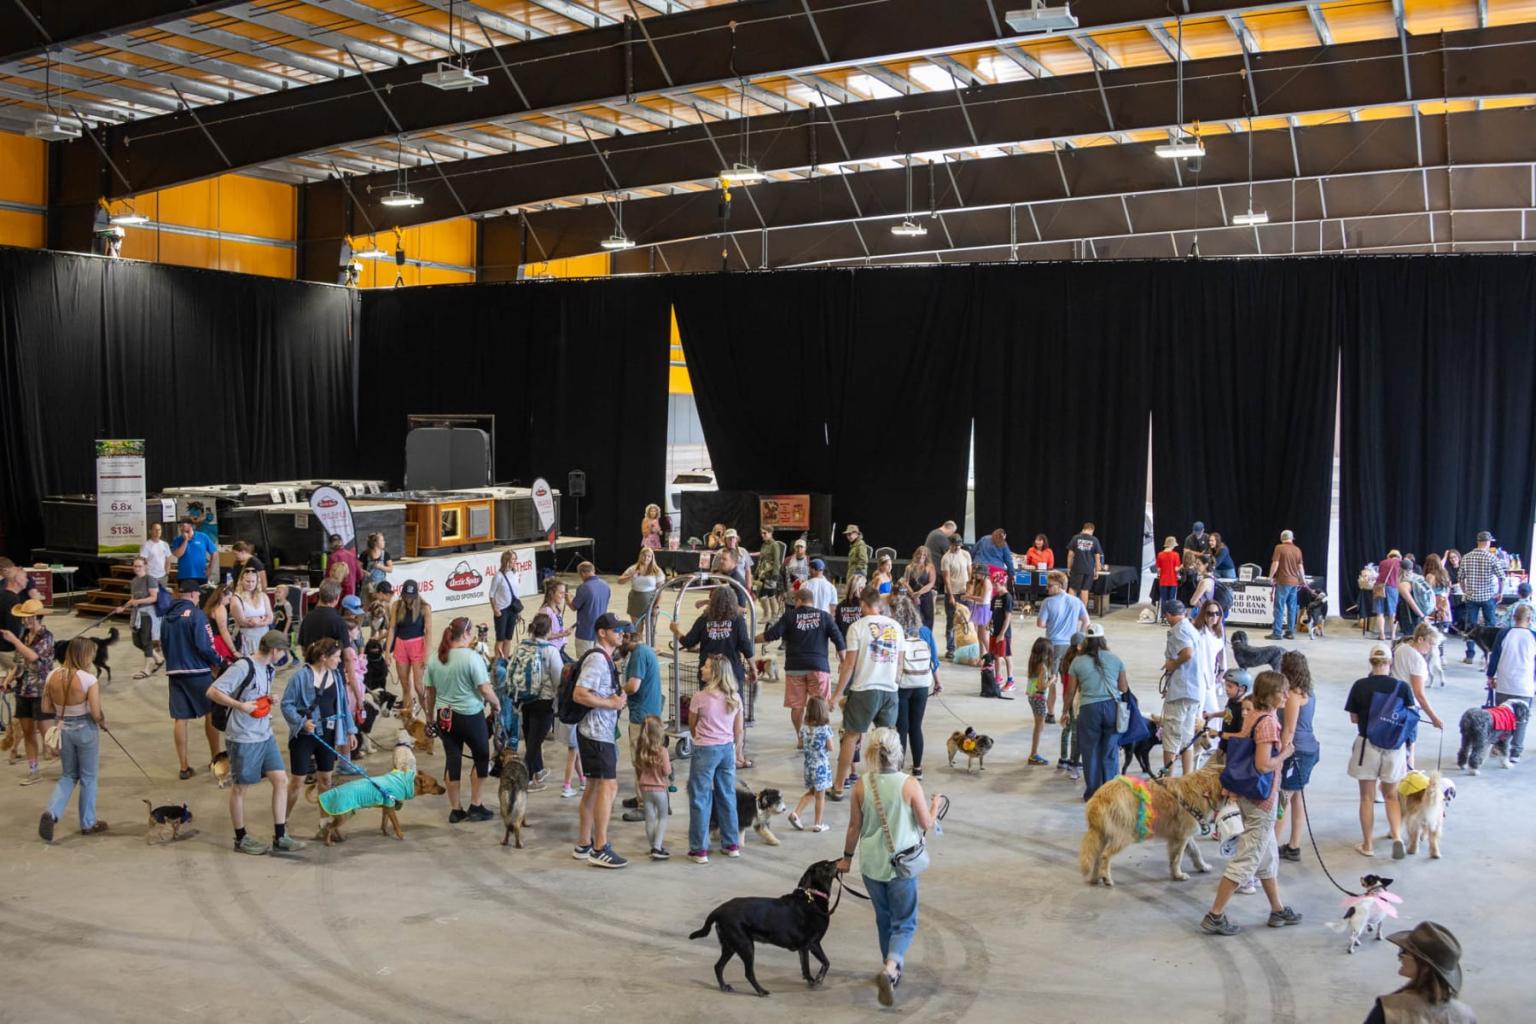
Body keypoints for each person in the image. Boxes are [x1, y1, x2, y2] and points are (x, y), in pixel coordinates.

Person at [835, 726, 944, 1007]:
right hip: (902, 867)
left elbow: (853, 827)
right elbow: (926, 824)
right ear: (899, 752)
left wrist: (847, 858)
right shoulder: (909, 784)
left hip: (872, 866)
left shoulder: (861, 784)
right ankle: (892, 967)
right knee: (905, 921)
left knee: (884, 918)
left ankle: (889, 968)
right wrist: (935, 804)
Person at [1200, 670, 1301, 936]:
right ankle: (1215, 915)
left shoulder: (1253, 714)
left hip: (1247, 795)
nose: (1286, 696)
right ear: (1271, 694)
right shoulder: (1268, 722)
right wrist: (1286, 754)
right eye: (1283, 691)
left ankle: (1277, 909)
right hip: (1261, 800)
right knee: (1246, 860)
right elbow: (1263, 764)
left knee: (1267, 858)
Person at [206, 631, 302, 854]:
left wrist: (268, 699)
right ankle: (240, 838)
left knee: (280, 779)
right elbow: (213, 691)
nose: (285, 655)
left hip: (263, 733)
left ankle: (280, 835)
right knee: (240, 788)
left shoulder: (268, 669)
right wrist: (240, 706)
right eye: (283, 651)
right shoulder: (242, 667)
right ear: (274, 650)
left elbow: (255, 694)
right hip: (243, 736)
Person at [828, 587, 903, 801]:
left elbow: (849, 664)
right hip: (890, 690)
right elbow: (899, 663)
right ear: (879, 603)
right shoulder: (896, 627)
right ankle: (891, 785)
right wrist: (893, 682)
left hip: (864, 689)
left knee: (851, 737)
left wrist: (837, 694)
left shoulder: (857, 627)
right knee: (888, 739)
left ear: (862, 604)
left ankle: (839, 786)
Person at [422, 616, 499, 823]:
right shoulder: (472, 658)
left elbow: (429, 692)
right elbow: (484, 688)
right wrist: (496, 703)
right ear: (464, 634)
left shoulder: (435, 658)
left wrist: (430, 717)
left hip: (444, 717)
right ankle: (476, 804)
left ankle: (456, 809)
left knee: (452, 758)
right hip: (470, 716)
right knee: (481, 756)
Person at [569, 612, 631, 868]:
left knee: (594, 787)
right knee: (608, 786)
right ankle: (600, 847)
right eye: (616, 630)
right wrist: (611, 703)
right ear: (602, 632)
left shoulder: (604, 658)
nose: (621, 633)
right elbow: (579, 694)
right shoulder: (597, 660)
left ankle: (584, 842)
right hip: (596, 733)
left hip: (595, 732)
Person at [1345, 643, 1415, 859]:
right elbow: (1410, 720)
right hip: (1394, 747)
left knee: (1367, 797)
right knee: (1391, 796)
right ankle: (1396, 837)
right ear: (1390, 662)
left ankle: (1367, 845)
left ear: (1370, 662)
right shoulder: (1402, 687)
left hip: (1368, 745)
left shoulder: (1360, 686)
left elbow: (1353, 718)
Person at [37, 638, 108, 840]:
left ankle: (52, 813)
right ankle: (88, 823)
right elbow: (95, 712)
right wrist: (103, 722)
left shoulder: (52, 675)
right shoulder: (89, 679)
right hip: (85, 728)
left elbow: (45, 708)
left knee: (68, 775)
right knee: (88, 777)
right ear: (85, 656)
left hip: (63, 728)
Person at [760, 586, 846, 744]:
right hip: (818, 667)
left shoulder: (790, 616)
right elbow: (839, 639)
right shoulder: (824, 616)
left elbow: (772, 634)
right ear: (812, 601)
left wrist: (750, 640)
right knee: (820, 704)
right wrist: (843, 661)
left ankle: (801, 737)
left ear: (798, 600)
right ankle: (821, 738)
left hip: (795, 667)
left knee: (797, 705)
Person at [159, 585, 223, 780]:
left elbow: (163, 643)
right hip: (198, 672)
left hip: (175, 671)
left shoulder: (167, 617)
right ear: (194, 594)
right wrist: (218, 661)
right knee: (211, 712)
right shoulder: (196, 615)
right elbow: (205, 645)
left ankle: (184, 766)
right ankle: (216, 758)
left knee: (180, 718)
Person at [686, 653, 743, 863]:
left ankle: (699, 849)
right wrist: (736, 750)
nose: (702, 668)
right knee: (727, 795)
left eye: (707, 667)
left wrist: (700, 737)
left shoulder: (700, 696)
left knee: (700, 798)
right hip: (726, 749)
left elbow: (692, 724)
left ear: (716, 673)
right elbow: (738, 729)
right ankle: (731, 843)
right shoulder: (735, 697)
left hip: (705, 749)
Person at [1363, 921, 1477, 1024]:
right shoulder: (1466, 1016)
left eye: (1404, 951)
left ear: (1424, 965)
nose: (1399, 957)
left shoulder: (1388, 1010)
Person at [1069, 624, 1128, 800]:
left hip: (1089, 709)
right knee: (1110, 751)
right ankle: (1110, 792)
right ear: (1103, 639)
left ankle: (1093, 793)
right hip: (1112, 708)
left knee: (1090, 751)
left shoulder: (1077, 662)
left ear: (1086, 641)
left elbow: (1071, 691)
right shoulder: (1115, 659)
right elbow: (1123, 687)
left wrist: (1066, 711)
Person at [1275, 651, 1319, 863]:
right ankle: (1294, 845)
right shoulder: (1309, 692)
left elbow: (1289, 729)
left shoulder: (1293, 695)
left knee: (1282, 799)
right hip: (1310, 748)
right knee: (1297, 797)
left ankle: (1270, 847)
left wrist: (1280, 755)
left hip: (1296, 752)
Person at [510, 613, 561, 789]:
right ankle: (527, 778)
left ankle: (538, 770)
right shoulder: (550, 651)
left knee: (532, 735)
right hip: (543, 700)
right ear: (549, 630)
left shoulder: (521, 646)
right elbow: (558, 679)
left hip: (524, 698)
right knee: (534, 741)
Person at [618, 627, 663, 821]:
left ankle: (645, 805)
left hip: (641, 717)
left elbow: (633, 685)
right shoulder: (644, 652)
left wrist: (618, 692)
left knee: (641, 762)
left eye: (621, 637)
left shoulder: (638, 654)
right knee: (650, 760)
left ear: (629, 637)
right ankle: (649, 799)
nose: (619, 641)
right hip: (650, 714)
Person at [891, 594, 937, 779]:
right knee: (916, 727)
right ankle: (917, 768)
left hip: (903, 684)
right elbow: (934, 659)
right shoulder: (924, 631)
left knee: (901, 727)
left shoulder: (895, 632)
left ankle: (899, 768)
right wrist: (938, 681)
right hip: (922, 684)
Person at [1037, 571, 1090, 728]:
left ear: (1059, 586)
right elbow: (1086, 621)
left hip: (1053, 645)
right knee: (1069, 681)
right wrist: (1078, 635)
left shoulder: (1048, 602)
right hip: (1071, 646)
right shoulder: (1076, 601)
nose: (1047, 588)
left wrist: (1051, 624)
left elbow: (1040, 623)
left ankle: (1051, 713)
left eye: (1049, 585)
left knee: (1051, 680)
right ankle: (1068, 712)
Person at [1486, 603, 1535, 764]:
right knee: (1522, 719)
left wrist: (1490, 676)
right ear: (1529, 619)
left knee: (1502, 717)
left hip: (1505, 683)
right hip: (1525, 685)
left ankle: (1500, 747)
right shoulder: (1533, 636)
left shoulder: (1504, 633)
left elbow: (1494, 656)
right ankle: (1515, 752)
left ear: (1513, 618)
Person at [299, 580, 358, 710]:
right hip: (334, 677)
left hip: (312, 675)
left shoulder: (307, 619)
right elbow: (348, 657)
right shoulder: (338, 621)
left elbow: (303, 649)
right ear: (337, 598)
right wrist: (357, 693)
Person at [1161, 600, 1204, 776]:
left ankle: (1167, 781)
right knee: (1187, 738)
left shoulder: (1179, 630)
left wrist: (1173, 664)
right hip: (1193, 690)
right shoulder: (1191, 628)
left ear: (1168, 615)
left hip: (1181, 691)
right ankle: (1187, 777)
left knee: (1171, 736)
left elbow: (1187, 653)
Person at [1392, 624, 1447, 754]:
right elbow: (1419, 694)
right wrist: (1434, 718)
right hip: (1409, 708)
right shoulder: (1418, 661)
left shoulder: (1401, 648)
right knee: (1409, 747)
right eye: (1431, 644)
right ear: (1420, 639)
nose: (1432, 648)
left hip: (1394, 702)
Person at [790, 694, 836, 832]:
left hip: (809, 765)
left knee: (811, 792)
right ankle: (818, 823)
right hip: (821, 766)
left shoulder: (804, 729)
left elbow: (802, 744)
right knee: (820, 796)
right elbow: (831, 747)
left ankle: (796, 813)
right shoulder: (825, 729)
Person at [387, 579, 433, 716]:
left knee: (419, 686)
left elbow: (429, 633)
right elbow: (392, 629)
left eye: (411, 597)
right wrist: (387, 652)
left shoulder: (425, 608)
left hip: (417, 645)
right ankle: (408, 720)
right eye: (406, 596)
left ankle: (429, 716)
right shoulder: (396, 605)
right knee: (406, 686)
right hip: (401, 645)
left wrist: (427, 655)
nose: (408, 600)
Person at [1459, 531, 1504, 662]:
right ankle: (1491, 654)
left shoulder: (1466, 557)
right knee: (1490, 626)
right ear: (1488, 542)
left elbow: (1461, 578)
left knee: (1470, 626)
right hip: (1487, 597)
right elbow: (1502, 577)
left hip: (1471, 597)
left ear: (1478, 542)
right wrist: (1500, 592)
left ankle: (1470, 655)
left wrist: (1465, 591)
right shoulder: (1492, 558)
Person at [118, 556, 164, 679]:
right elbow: (133, 598)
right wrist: (124, 606)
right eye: (135, 566)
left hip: (147, 613)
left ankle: (147, 668)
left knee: (146, 640)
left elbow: (154, 597)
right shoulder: (134, 581)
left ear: (145, 566)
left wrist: (138, 602)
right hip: (137, 613)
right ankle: (158, 658)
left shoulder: (150, 579)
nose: (137, 568)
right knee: (136, 641)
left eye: (139, 566)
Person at [633, 715, 672, 860]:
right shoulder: (662, 751)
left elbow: (637, 769)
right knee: (662, 817)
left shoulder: (640, 750)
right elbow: (667, 771)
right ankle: (657, 847)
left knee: (649, 818)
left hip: (644, 789)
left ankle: (652, 846)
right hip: (660, 790)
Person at [1194, 598, 1229, 739]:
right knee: (1197, 712)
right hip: (1198, 678)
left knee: (1213, 710)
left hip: (1211, 679)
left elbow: (1222, 654)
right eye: (1210, 613)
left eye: (1217, 613)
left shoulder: (1219, 633)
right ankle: (1194, 744)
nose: (1214, 617)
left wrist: (1222, 671)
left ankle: (1211, 743)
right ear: (1204, 614)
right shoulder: (1199, 632)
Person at [1268, 529, 1306, 640]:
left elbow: (1275, 563)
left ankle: (1277, 633)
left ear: (1281, 538)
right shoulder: (1297, 550)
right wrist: (1303, 580)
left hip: (1283, 582)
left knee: (1279, 607)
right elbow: (1300, 567)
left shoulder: (1279, 548)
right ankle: (1290, 632)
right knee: (1292, 607)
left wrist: (1270, 577)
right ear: (1292, 538)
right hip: (1294, 583)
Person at [486, 549, 524, 660]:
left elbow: (516, 593)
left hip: (513, 609)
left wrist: (519, 611)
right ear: (506, 560)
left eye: (515, 559)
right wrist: (495, 609)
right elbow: (491, 594)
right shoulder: (498, 576)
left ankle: (506, 660)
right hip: (502, 609)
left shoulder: (516, 574)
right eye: (512, 559)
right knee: (500, 638)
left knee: (508, 638)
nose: (514, 562)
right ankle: (497, 662)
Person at [569, 562, 611, 658]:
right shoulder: (606, 585)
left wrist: (568, 600)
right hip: (600, 631)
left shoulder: (584, 587)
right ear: (593, 570)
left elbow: (574, 607)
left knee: (584, 661)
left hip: (585, 632)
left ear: (582, 573)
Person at [940, 534, 971, 659]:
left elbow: (970, 573)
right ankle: (951, 648)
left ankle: (964, 646)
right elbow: (946, 579)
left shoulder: (966, 555)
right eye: (955, 545)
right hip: (952, 592)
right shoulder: (946, 558)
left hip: (964, 592)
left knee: (966, 620)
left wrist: (970, 591)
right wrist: (951, 596)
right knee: (951, 622)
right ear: (950, 544)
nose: (958, 547)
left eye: (959, 545)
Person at [231, 566, 274, 656]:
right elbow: (242, 621)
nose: (250, 584)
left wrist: (257, 621)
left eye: (253, 581)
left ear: (257, 582)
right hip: (247, 639)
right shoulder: (236, 598)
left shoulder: (263, 596)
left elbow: (270, 617)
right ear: (241, 581)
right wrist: (262, 618)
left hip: (264, 637)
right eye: (247, 581)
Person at [1024, 637, 1053, 765]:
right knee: (1038, 726)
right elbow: (1042, 686)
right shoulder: (1043, 667)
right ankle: (1034, 754)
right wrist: (1052, 680)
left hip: (1032, 696)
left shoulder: (1033, 662)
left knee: (1039, 725)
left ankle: (1033, 752)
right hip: (1039, 697)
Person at [170, 516, 217, 590]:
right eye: (180, 526)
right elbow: (178, 555)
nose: (181, 528)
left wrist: (210, 568)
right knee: (185, 600)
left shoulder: (203, 537)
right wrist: (185, 541)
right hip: (184, 576)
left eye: (183, 525)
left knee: (201, 599)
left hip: (201, 575)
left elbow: (214, 552)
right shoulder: (177, 539)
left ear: (190, 526)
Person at [988, 568, 1016, 692]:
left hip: (1003, 633)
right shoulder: (995, 598)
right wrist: (990, 623)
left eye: (996, 584)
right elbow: (993, 613)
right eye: (993, 584)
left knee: (1006, 656)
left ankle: (1010, 681)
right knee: (995, 655)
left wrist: (1002, 634)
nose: (994, 586)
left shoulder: (1007, 597)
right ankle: (998, 677)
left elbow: (1008, 617)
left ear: (1002, 583)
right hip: (995, 631)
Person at [1065, 522, 1105, 604]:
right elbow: (1097, 557)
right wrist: (1097, 570)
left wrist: (1069, 568)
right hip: (1089, 569)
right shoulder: (1095, 540)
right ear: (1092, 530)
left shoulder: (1075, 538)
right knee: (1085, 590)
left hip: (1077, 568)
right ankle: (1083, 612)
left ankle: (1069, 610)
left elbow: (1070, 555)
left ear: (1083, 529)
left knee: (1073, 588)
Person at [754, 525, 785, 627]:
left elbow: (777, 561)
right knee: (763, 595)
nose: (763, 535)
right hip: (763, 573)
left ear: (771, 533)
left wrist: (775, 575)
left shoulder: (774, 545)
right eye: (762, 533)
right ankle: (768, 614)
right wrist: (757, 573)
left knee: (768, 594)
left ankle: (771, 615)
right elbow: (761, 560)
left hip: (771, 573)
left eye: (765, 533)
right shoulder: (764, 545)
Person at [1373, 548, 1404, 643]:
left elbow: (1379, 574)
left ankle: (1382, 635)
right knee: (1393, 613)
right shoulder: (1400, 563)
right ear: (1399, 556)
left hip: (1379, 587)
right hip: (1393, 587)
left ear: (1389, 555)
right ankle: (1393, 634)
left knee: (1380, 612)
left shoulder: (1383, 562)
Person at [904, 546, 938, 632]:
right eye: (919, 553)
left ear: (927, 556)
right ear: (916, 554)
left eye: (924, 555)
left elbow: (931, 584)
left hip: (926, 596)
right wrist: (913, 595)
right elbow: (906, 583)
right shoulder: (909, 567)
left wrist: (919, 593)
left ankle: (926, 640)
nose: (921, 556)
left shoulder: (930, 567)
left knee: (927, 620)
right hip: (912, 596)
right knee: (913, 619)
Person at [963, 563, 994, 656]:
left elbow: (982, 599)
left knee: (984, 637)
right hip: (979, 608)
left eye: (977, 573)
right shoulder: (979, 582)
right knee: (979, 636)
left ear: (983, 573)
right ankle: (982, 657)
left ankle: (992, 657)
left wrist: (969, 597)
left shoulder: (986, 582)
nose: (975, 575)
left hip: (984, 610)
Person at [1022, 534, 1054, 607]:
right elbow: (1026, 562)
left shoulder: (1049, 551)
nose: (1037, 542)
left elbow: (1051, 565)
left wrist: (1046, 570)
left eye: (1040, 540)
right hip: (1033, 574)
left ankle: (1047, 604)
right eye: (1036, 540)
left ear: (1044, 542)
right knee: (1034, 578)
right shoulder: (1031, 550)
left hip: (1045, 573)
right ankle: (1031, 603)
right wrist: (1028, 566)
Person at [325, 534, 361, 599]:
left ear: (331, 545)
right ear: (342, 542)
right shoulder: (352, 555)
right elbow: (360, 575)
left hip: (337, 595)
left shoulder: (332, 557)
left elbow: (328, 578)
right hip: (351, 594)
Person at [139, 521, 173, 588]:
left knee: (162, 597)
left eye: (159, 529)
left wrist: (167, 573)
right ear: (150, 531)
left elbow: (168, 560)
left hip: (163, 576)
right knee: (152, 597)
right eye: (155, 529)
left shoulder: (165, 544)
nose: (158, 531)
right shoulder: (146, 545)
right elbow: (143, 562)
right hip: (151, 577)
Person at [1155, 537, 1181, 615]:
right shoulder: (1176, 555)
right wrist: (1182, 567)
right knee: (1172, 600)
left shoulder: (1160, 554)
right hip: (1173, 581)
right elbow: (1176, 569)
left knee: (1164, 599)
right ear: (1172, 545)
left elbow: (1158, 569)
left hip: (1163, 581)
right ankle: (1171, 616)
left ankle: (1164, 616)